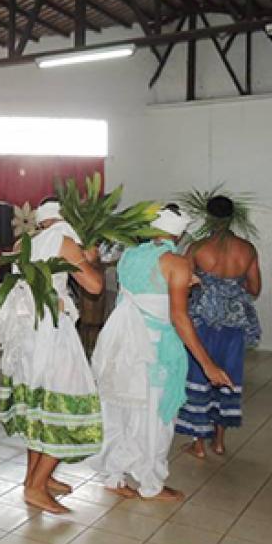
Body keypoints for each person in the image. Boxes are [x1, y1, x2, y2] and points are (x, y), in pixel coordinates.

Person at [88, 206, 233, 501]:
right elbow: (179, 317)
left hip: (123, 344)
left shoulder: (129, 255)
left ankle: (113, 476)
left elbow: (144, 293)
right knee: (155, 418)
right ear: (179, 233)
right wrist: (207, 365)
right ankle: (151, 483)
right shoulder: (177, 263)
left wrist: (184, 283)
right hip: (153, 349)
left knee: (122, 412)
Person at [0, 198, 104, 514]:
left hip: (27, 334)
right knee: (67, 402)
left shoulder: (22, 242)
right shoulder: (64, 241)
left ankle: (36, 477)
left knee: (38, 403)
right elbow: (94, 287)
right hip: (52, 333)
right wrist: (91, 260)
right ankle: (36, 487)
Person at [175, 195, 261, 458]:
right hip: (233, 324)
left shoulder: (198, 247)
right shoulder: (247, 249)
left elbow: (184, 285)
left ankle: (198, 444)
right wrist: (232, 288)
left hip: (202, 322)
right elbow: (255, 289)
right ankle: (220, 442)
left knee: (200, 376)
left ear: (208, 217)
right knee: (227, 377)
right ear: (233, 216)